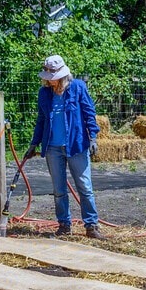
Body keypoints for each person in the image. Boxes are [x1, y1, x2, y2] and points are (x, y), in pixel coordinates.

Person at [24, 54, 104, 239]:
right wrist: (34, 143)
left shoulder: (77, 87)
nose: (49, 81)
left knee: (84, 186)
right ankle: (64, 225)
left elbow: (89, 113)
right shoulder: (44, 93)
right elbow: (41, 119)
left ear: (61, 75)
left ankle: (91, 226)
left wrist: (92, 137)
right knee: (59, 190)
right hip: (52, 147)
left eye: (52, 78)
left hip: (76, 144)